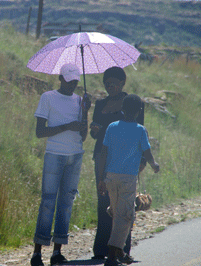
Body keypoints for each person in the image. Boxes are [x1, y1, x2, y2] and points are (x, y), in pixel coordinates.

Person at [30, 64, 91, 266]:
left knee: (66, 203)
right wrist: (67, 127)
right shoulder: (48, 97)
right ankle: (37, 252)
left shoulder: (80, 101)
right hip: (54, 154)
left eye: (75, 81)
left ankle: (57, 252)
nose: (72, 84)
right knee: (48, 202)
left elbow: (83, 136)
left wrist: (86, 113)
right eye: (69, 80)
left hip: (75, 155)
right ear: (60, 78)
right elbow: (40, 132)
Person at [90, 67, 146, 262]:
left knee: (123, 206)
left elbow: (139, 131)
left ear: (123, 83)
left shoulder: (132, 102)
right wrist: (94, 129)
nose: (110, 86)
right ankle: (102, 248)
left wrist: (142, 162)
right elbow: (94, 134)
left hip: (125, 160)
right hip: (102, 157)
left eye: (114, 82)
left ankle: (122, 249)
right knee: (104, 201)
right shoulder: (100, 104)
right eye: (107, 83)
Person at [97, 94, 160, 266]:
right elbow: (147, 153)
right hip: (127, 179)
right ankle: (111, 254)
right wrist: (154, 165)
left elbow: (103, 153)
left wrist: (101, 179)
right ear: (139, 111)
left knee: (118, 213)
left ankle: (120, 252)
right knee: (125, 216)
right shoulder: (141, 130)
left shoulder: (112, 126)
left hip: (110, 177)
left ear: (122, 109)